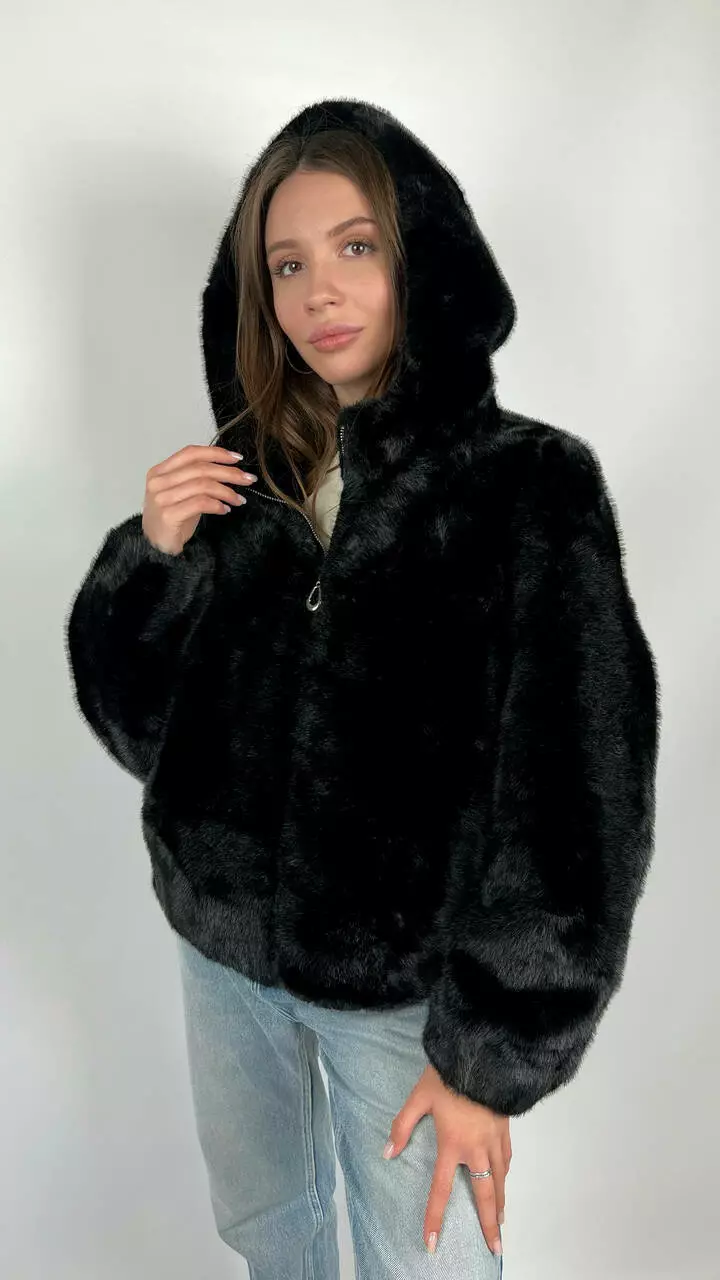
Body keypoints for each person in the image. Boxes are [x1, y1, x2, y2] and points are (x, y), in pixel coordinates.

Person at [64, 97, 660, 1278]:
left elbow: (579, 797)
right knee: (269, 1234)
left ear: (422, 256)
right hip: (220, 956)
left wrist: (490, 1056)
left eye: (356, 246)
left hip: (405, 990)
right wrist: (155, 558)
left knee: (425, 1263)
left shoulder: (531, 489)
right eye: (288, 263)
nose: (319, 291)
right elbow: (143, 728)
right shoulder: (242, 486)